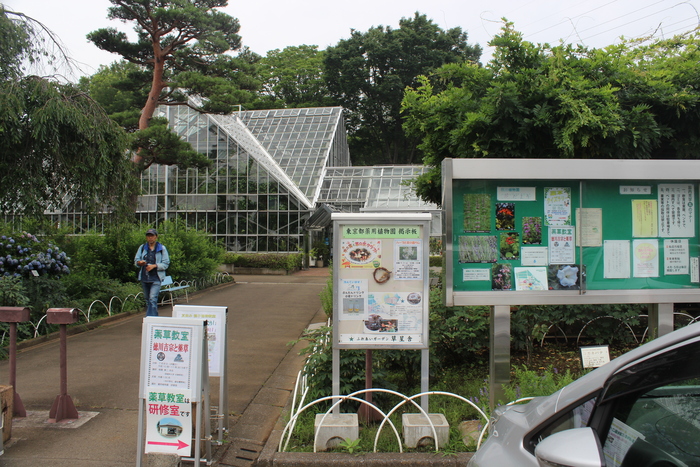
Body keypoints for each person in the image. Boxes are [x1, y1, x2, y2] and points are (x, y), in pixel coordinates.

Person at [134, 228, 170, 317]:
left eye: (152, 236)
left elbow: (166, 264)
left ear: (156, 237)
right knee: (147, 300)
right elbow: (136, 261)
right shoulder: (142, 247)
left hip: (156, 278)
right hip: (144, 278)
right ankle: (153, 318)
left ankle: (151, 320)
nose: (150, 238)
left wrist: (154, 266)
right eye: (148, 236)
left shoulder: (161, 248)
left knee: (152, 298)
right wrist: (139, 263)